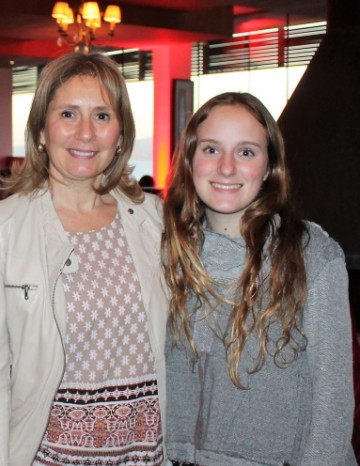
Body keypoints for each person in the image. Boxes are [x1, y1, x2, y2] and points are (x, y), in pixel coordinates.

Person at [0, 52, 168, 465]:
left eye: (103, 116)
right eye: (69, 114)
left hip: (147, 455)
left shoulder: (153, 219)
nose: (86, 133)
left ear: (121, 134)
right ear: (41, 130)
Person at [162, 92, 355, 465]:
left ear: (269, 167)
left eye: (246, 152)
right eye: (212, 150)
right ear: (189, 159)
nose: (227, 168)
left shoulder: (311, 255)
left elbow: (332, 406)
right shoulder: (165, 252)